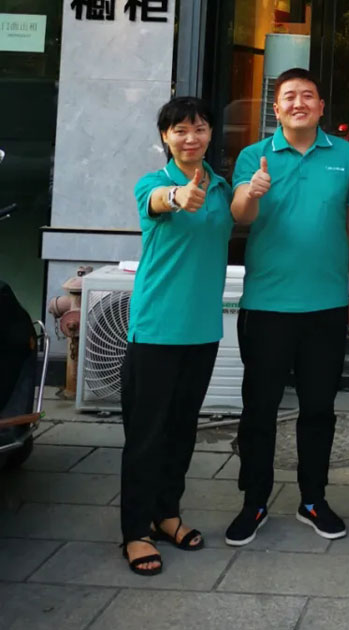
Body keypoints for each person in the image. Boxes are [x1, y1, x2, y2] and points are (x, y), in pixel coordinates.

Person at [226, 68, 349, 546]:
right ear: (276, 108)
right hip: (266, 305)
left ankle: (313, 499)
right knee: (259, 409)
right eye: (290, 96)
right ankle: (254, 500)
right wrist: (252, 191)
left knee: (319, 409)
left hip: (326, 305)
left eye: (308, 95)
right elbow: (240, 214)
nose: (299, 103)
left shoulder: (344, 156)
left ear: (321, 107)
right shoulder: (254, 155)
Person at [121, 97, 234, 575]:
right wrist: (178, 197)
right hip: (156, 328)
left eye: (200, 128)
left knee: (183, 429)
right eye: (180, 130)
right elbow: (158, 202)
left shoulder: (222, 187)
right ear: (165, 137)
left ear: (210, 134)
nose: (191, 138)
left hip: (202, 329)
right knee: (146, 435)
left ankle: (166, 514)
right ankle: (134, 531)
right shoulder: (153, 183)